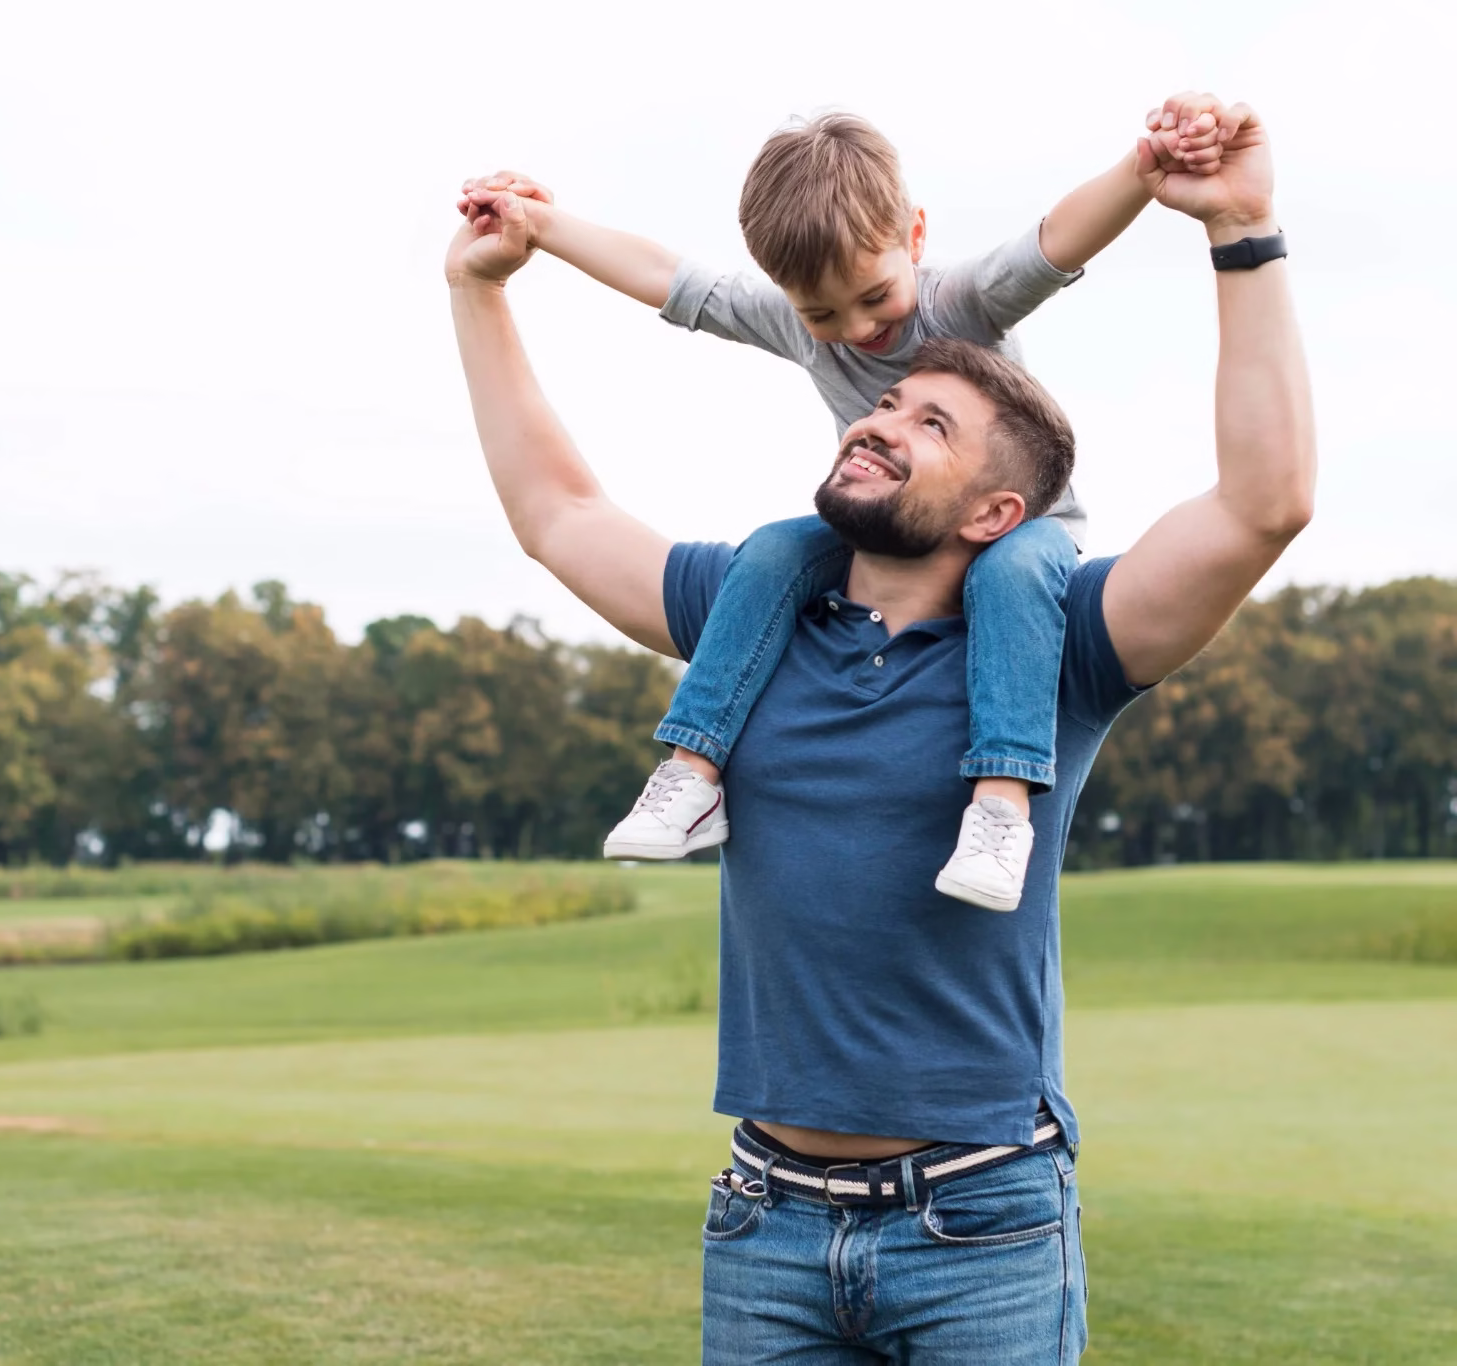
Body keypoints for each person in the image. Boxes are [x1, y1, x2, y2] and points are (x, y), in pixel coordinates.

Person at [445, 92, 1308, 1363]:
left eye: (930, 420)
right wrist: (484, 289)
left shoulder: (1061, 639)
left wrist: (1240, 231)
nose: (876, 406)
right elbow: (555, 512)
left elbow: (1262, 503)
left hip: (982, 1223)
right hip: (761, 1220)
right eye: (881, 403)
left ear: (995, 511)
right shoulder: (752, 611)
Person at [456, 105, 1232, 910]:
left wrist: (1143, 173)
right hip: (881, 530)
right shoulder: (801, 328)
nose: (855, 330)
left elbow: (1054, 241)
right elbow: (670, 278)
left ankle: (1000, 808)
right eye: (820, 313)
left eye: (873, 297)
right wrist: (540, 225)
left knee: (1008, 577)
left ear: (915, 239)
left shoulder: (958, 304)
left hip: (1022, 534)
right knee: (771, 551)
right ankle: (693, 772)